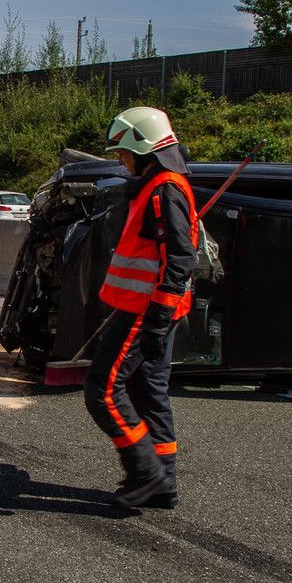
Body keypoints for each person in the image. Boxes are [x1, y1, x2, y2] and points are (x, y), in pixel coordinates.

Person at [84, 106, 198, 509]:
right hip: (150, 308)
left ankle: (146, 474)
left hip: (145, 310)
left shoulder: (164, 190)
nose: (121, 160)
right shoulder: (159, 185)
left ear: (142, 147)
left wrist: (157, 318)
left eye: (123, 153)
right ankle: (164, 483)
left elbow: (180, 259)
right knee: (149, 391)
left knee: (102, 391)